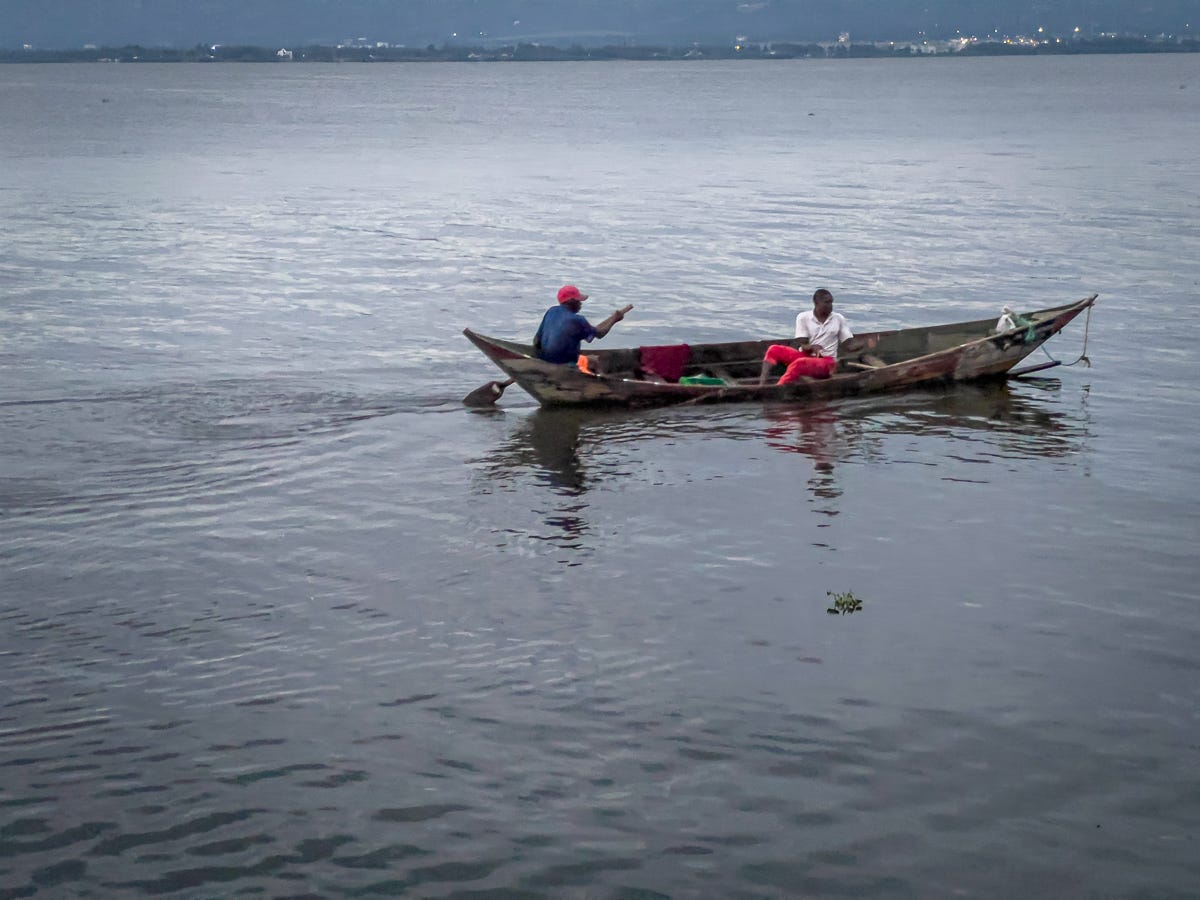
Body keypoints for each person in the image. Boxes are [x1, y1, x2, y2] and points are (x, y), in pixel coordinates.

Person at [759, 288, 873, 385]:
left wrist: (866, 343)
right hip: (806, 356)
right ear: (816, 303)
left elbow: (849, 346)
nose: (830, 306)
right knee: (774, 349)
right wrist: (811, 347)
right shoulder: (803, 317)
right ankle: (761, 385)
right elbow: (801, 344)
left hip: (827, 363)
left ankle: (777, 388)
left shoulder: (838, 319)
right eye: (826, 303)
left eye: (831, 302)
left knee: (800, 364)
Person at [533, 285, 630, 365]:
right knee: (595, 361)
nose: (580, 304)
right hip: (564, 363)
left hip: (544, 358)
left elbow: (536, 341)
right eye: (578, 301)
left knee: (583, 356)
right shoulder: (577, 320)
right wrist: (614, 320)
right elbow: (600, 334)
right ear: (571, 301)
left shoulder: (551, 311)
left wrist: (613, 318)